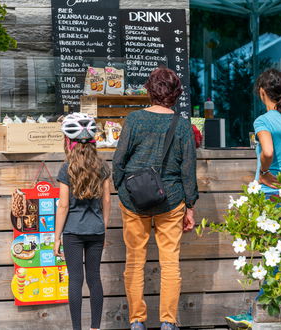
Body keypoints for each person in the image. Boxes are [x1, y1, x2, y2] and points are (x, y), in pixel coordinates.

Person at [113, 67, 198, 330]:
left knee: (135, 261)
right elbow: (188, 170)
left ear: (150, 90)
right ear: (176, 94)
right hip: (171, 200)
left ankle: (137, 322)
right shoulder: (183, 125)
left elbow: (118, 162)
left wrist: (123, 190)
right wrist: (190, 206)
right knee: (170, 262)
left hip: (134, 200)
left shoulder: (135, 120)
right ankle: (167, 323)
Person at [225, 69, 281, 329]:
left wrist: (265, 172)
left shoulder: (263, 121)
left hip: (270, 195)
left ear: (262, 92)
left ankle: (263, 308)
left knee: (271, 251)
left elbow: (268, 151)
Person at [54, 113, 112, 330]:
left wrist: (56, 237)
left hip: (73, 232)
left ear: (69, 142)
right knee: (94, 279)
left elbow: (63, 206)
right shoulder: (103, 167)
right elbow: (107, 200)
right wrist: (103, 228)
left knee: (75, 280)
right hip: (96, 231)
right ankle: (95, 328)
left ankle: (77, 328)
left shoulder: (67, 169)